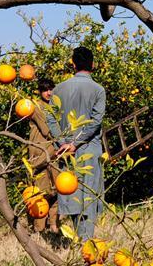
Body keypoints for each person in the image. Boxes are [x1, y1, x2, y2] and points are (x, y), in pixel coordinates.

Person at [46, 46, 106, 239]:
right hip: (89, 150)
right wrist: (76, 143)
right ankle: (86, 242)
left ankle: (78, 240)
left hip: (67, 153)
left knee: (71, 193)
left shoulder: (59, 89)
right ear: (93, 65)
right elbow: (95, 122)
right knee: (88, 195)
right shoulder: (98, 90)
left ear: (73, 64)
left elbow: (51, 119)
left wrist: (64, 143)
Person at [28, 77, 59, 234]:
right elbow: (47, 130)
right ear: (40, 92)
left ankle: (53, 224)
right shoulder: (36, 107)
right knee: (42, 192)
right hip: (40, 152)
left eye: (51, 89)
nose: (49, 93)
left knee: (57, 188)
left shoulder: (54, 106)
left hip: (52, 152)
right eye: (45, 90)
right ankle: (39, 229)